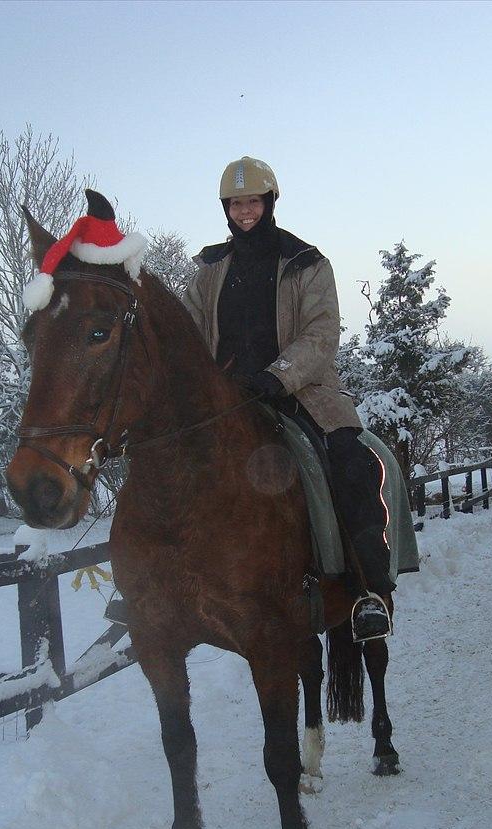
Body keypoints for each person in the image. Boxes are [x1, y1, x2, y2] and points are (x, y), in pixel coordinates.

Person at [181, 156, 394, 639]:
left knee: (351, 465)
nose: (244, 212)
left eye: (252, 201)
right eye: (236, 204)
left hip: (301, 393)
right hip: (225, 399)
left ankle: (368, 591)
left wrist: (278, 376)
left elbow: (322, 333)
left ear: (270, 202)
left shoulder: (307, 263)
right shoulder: (210, 269)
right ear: (225, 209)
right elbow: (188, 331)